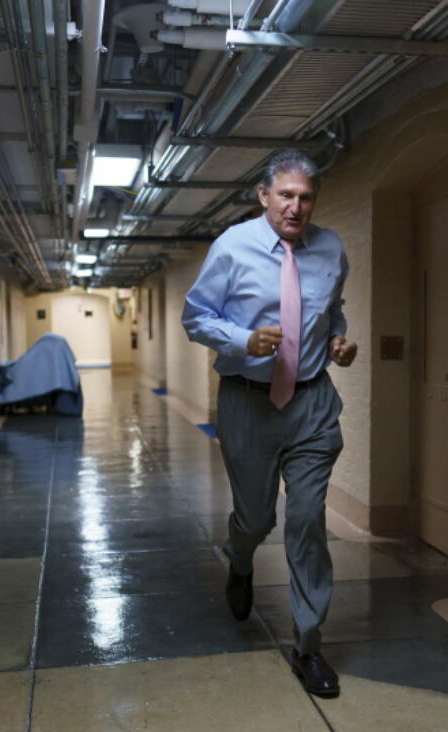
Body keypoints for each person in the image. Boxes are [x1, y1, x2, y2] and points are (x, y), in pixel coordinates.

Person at [182, 149, 357, 697]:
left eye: (306, 197)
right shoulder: (232, 246)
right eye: (286, 195)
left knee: (306, 521)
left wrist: (337, 341)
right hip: (248, 402)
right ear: (263, 196)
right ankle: (240, 560)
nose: (296, 207)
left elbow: (333, 310)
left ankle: (308, 644)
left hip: (310, 403)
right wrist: (242, 340)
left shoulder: (330, 248)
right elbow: (196, 317)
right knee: (256, 518)